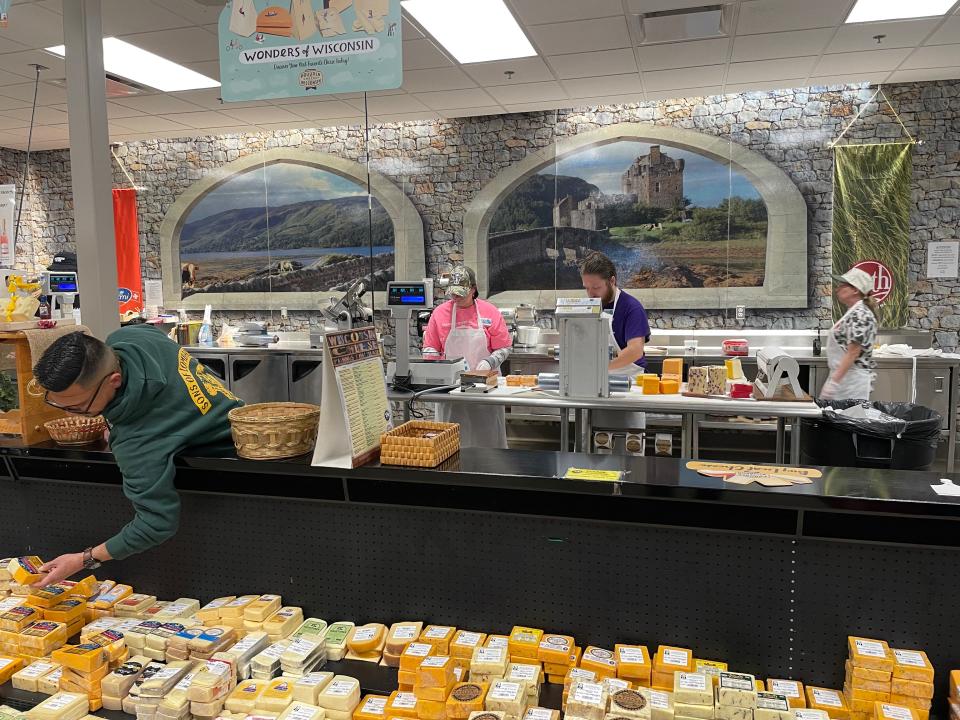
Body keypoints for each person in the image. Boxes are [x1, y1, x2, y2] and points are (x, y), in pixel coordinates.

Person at [30, 325, 243, 587]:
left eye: (77, 406)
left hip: (232, 484)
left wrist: (84, 558)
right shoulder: (129, 337)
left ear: (114, 381)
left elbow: (155, 524)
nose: (69, 414)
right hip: (238, 418)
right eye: (56, 403)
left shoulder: (138, 441)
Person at [422, 266, 512, 448]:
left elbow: (504, 348)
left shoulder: (490, 312)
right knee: (452, 445)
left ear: (473, 289)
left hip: (486, 392)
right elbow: (430, 346)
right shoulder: (440, 314)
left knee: (488, 443)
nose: (456, 298)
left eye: (461, 293)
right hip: (451, 391)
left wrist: (489, 361)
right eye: (453, 293)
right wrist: (433, 361)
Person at [580, 252, 651, 376]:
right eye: (587, 288)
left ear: (612, 281)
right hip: (597, 379)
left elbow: (635, 350)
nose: (591, 294)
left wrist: (600, 367)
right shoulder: (590, 307)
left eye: (596, 287)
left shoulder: (631, 307)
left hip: (630, 382)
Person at [821, 267, 878, 401]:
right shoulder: (853, 312)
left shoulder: (861, 315)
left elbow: (853, 353)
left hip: (851, 383)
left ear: (855, 290)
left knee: (848, 419)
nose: (837, 289)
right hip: (844, 379)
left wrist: (833, 383)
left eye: (842, 285)